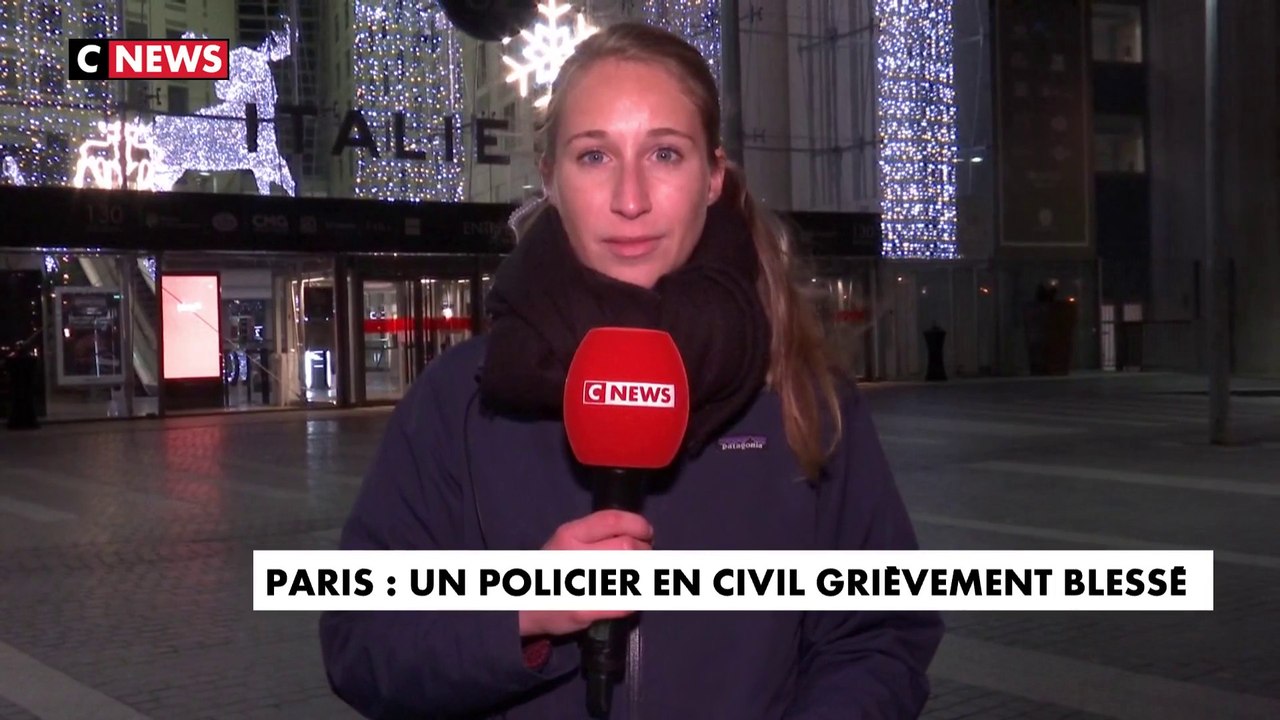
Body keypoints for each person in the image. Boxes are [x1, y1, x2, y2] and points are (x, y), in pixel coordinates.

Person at [320, 21, 943, 720]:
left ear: (713, 177)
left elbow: (879, 636)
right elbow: (360, 642)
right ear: (550, 177)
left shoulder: (800, 396)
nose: (630, 198)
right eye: (594, 156)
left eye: (666, 154)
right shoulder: (460, 399)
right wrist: (517, 613)